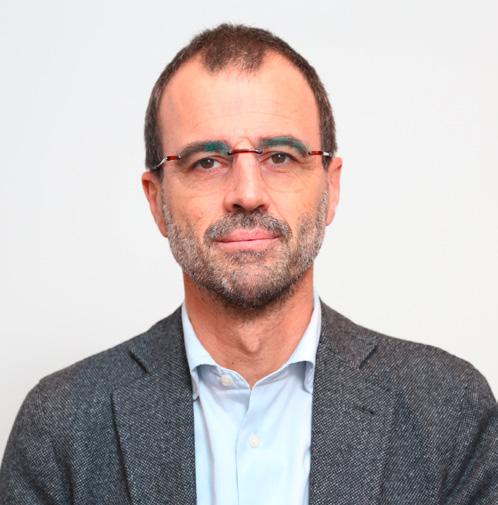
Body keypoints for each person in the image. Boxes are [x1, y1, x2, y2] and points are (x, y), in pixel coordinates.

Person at [0, 23, 496, 505]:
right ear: (157, 202)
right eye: (206, 161)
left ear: (331, 187)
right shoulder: (59, 428)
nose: (248, 193)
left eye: (280, 156)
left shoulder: (449, 412)